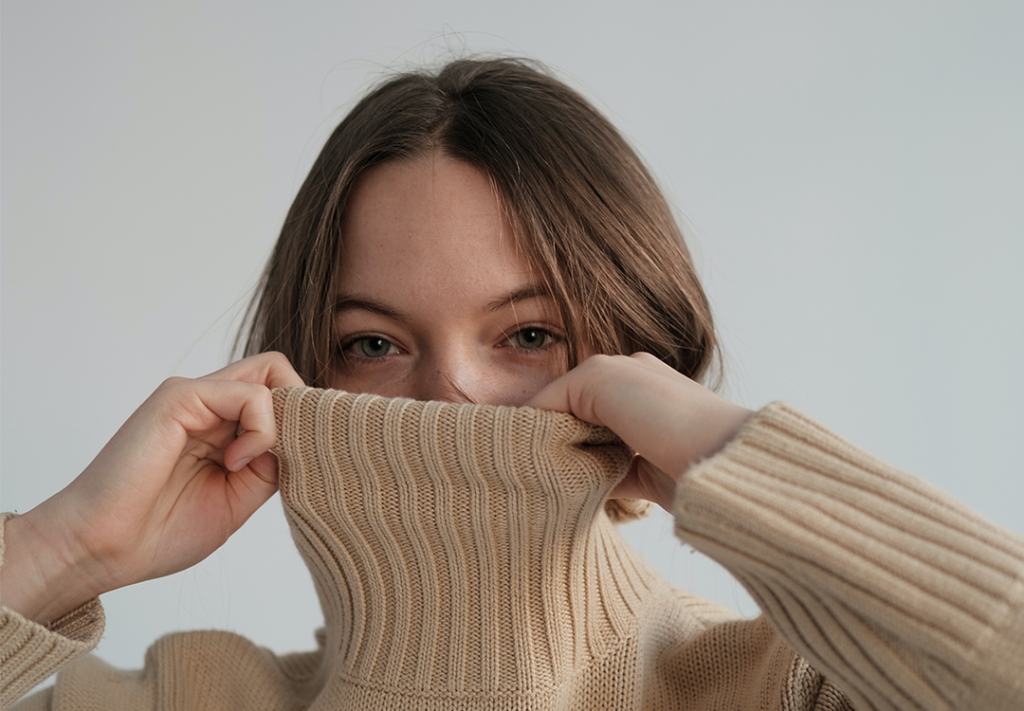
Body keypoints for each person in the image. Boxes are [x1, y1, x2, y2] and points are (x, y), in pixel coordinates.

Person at [1, 58, 1022, 711]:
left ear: (635, 365)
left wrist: (728, 455)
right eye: (371, 345)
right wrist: (57, 550)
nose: (453, 397)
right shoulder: (173, 704)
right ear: (296, 375)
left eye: (529, 333)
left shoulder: (783, 693)